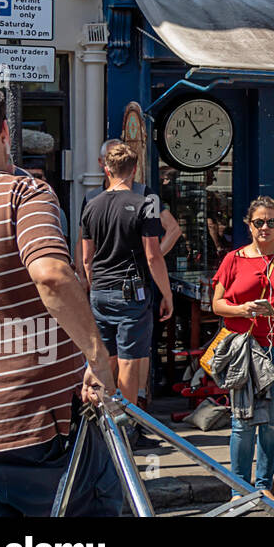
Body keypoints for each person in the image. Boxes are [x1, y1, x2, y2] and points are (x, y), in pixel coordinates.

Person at [0, 82, 118, 516]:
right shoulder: (23, 193)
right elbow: (51, 276)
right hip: (39, 424)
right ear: (5, 132)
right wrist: (98, 357)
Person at [211, 196, 274, 498]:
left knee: (272, 422)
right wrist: (242, 310)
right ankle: (239, 489)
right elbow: (217, 304)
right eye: (258, 222)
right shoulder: (233, 259)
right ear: (249, 225)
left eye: (271, 221)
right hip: (244, 349)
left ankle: (263, 485)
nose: (264, 227)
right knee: (242, 421)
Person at [83, 137, 181, 406]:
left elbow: (87, 258)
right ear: (134, 169)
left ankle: (100, 420)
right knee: (129, 361)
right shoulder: (144, 202)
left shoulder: (91, 204)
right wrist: (167, 294)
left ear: (106, 169)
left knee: (104, 358)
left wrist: (95, 286)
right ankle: (125, 423)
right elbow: (152, 255)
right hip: (130, 293)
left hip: (100, 291)